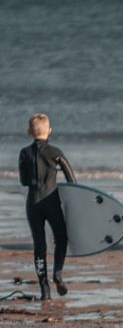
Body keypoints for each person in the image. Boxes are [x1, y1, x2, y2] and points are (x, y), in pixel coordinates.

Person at [18, 114, 76, 300]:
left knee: (39, 245)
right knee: (61, 238)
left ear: (29, 133)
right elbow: (71, 179)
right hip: (51, 202)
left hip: (33, 203)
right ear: (50, 131)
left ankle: (45, 290)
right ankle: (57, 272)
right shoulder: (55, 152)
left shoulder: (24, 153)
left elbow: (24, 181)